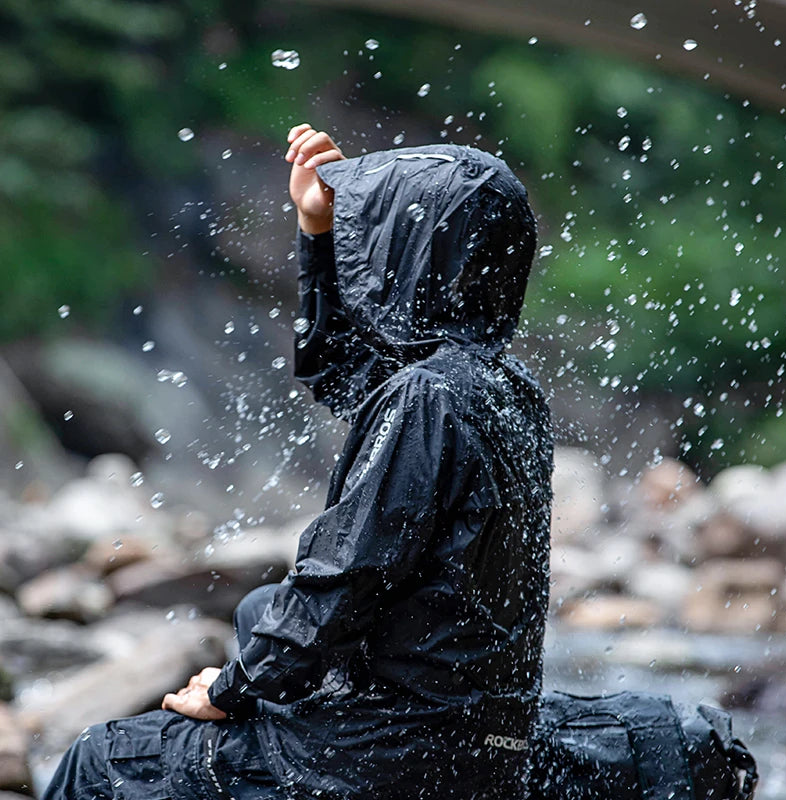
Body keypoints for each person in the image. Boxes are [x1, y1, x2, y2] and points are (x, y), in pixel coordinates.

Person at [43, 125, 553, 800]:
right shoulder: (510, 392)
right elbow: (348, 377)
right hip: (473, 746)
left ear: (418, 252)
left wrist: (229, 689)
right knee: (260, 609)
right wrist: (319, 231)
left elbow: (344, 578)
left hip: (386, 754)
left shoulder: (429, 397)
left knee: (105, 760)